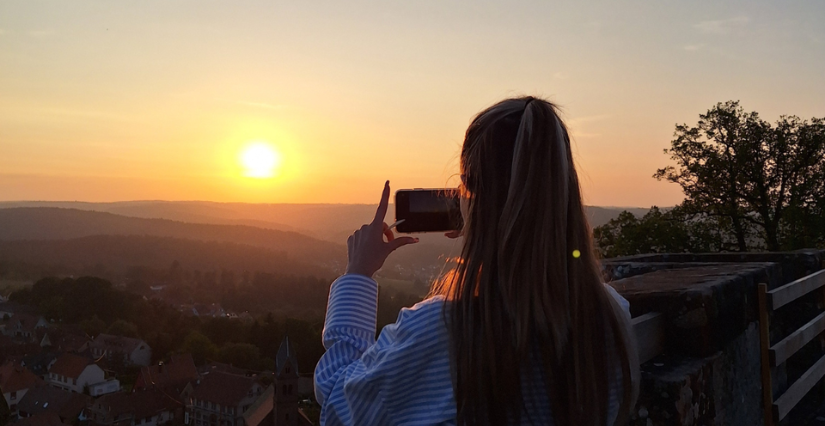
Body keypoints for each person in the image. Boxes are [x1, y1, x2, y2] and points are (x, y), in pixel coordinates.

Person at [314, 97, 639, 425]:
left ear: (471, 194)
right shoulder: (611, 318)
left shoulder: (439, 331)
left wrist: (357, 275)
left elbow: (337, 404)